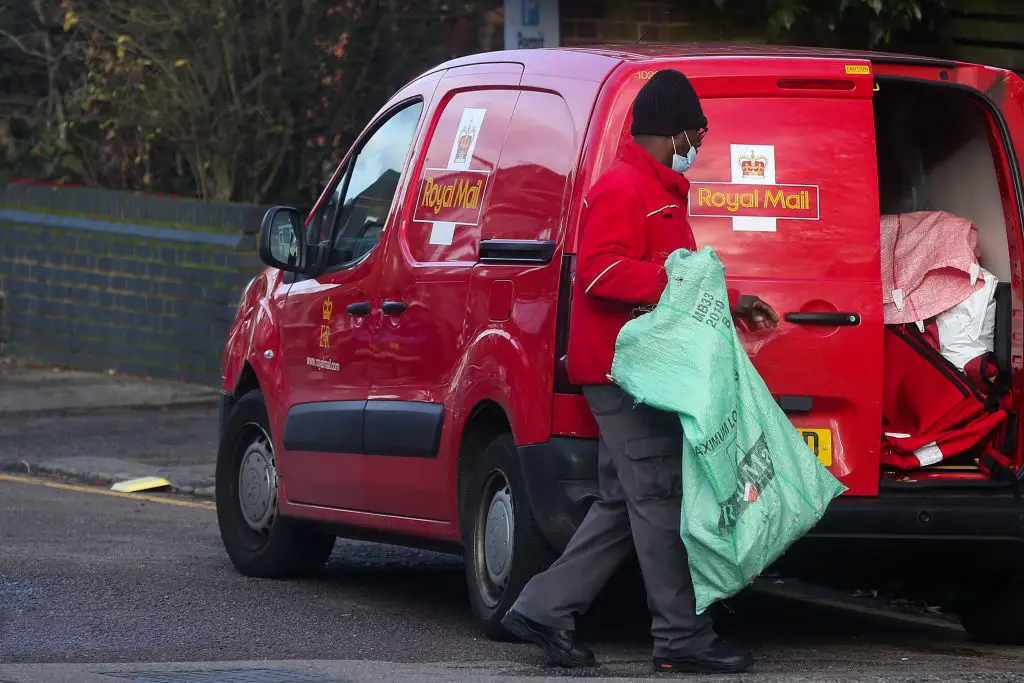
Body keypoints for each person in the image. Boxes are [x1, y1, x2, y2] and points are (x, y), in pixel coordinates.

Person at [500, 69, 780, 675]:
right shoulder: (623, 189)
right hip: (624, 372)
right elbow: (600, 274)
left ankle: (546, 608)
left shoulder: (656, 190)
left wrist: (731, 302)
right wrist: (677, 283)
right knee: (657, 497)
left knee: (626, 499)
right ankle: (680, 639)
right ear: (676, 130)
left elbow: (675, 279)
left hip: (641, 369)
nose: (697, 144)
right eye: (696, 132)